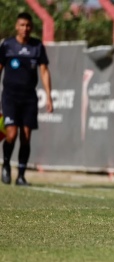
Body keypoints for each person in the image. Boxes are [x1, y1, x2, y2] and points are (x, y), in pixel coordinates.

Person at [0, 12, 53, 186]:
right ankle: (6, 164)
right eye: (22, 25)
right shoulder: (7, 45)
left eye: (28, 25)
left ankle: (21, 175)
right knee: (11, 133)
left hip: (29, 97)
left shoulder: (37, 46)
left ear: (31, 27)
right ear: (17, 26)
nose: (25, 28)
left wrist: (49, 96)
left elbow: (44, 71)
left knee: (26, 136)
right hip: (10, 95)